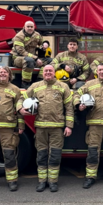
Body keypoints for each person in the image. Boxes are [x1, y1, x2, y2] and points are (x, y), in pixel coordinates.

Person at [20, 65, 73, 193]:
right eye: (46, 71)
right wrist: (20, 109)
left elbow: (69, 107)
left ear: (54, 73)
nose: (48, 73)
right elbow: (21, 98)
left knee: (55, 155)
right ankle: (42, 181)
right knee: (41, 155)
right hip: (41, 127)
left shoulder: (63, 86)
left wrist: (69, 125)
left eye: (50, 71)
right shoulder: (35, 86)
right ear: (42, 73)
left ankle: (53, 182)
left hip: (57, 127)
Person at [11, 20, 44, 89]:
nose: (30, 28)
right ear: (24, 27)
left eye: (31, 27)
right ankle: (25, 82)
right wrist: (36, 58)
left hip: (32, 57)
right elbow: (21, 51)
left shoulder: (37, 35)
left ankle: (40, 81)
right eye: (28, 26)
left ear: (34, 27)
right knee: (29, 61)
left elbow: (41, 42)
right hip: (18, 58)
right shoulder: (19, 36)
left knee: (49, 61)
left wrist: (45, 44)